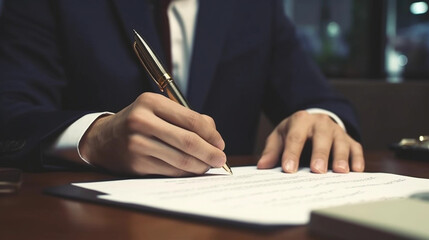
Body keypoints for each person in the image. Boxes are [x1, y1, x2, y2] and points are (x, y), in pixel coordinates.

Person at [0, 0, 364, 176]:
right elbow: (10, 112)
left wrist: (321, 120)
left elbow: (322, 100)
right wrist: (93, 137)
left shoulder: (255, 7)